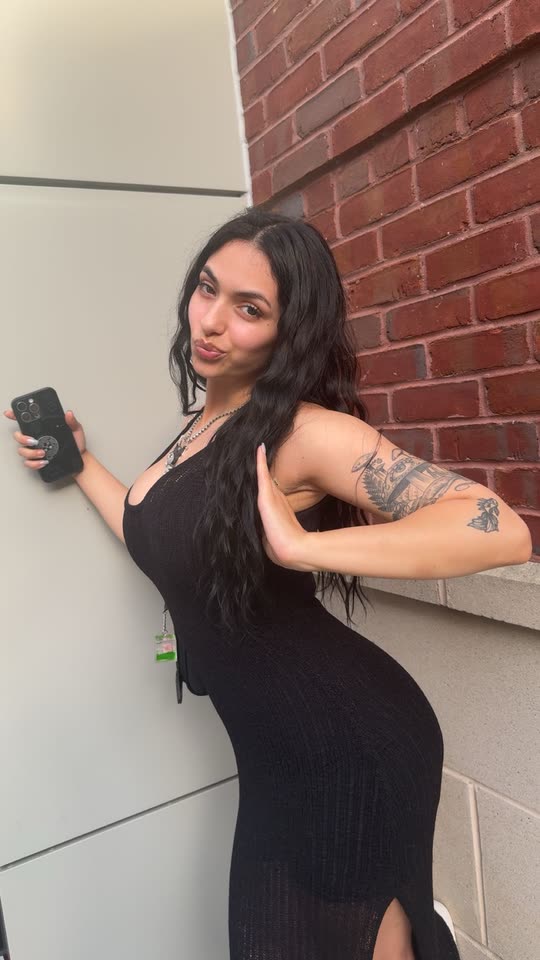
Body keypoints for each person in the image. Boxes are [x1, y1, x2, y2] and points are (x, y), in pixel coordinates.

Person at [5, 210, 532, 960]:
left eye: (249, 308)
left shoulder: (302, 433)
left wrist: (303, 546)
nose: (211, 322)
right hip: (275, 758)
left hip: (349, 745)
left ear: (291, 332)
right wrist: (82, 463)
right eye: (207, 289)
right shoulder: (202, 426)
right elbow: (159, 538)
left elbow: (498, 525)